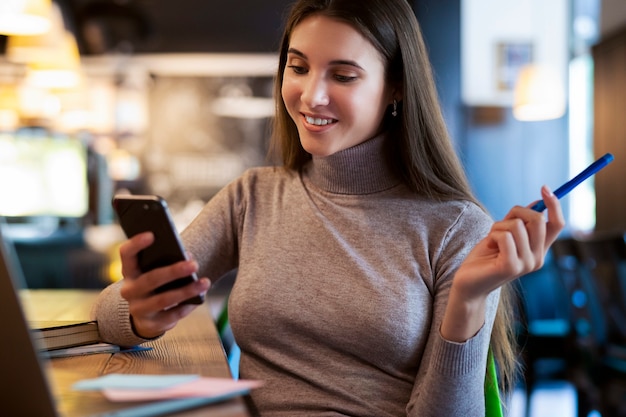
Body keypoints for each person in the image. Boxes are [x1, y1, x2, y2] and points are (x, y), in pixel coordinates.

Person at [92, 0, 565, 415]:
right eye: (298, 68)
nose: (311, 96)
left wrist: (469, 300)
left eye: (343, 75)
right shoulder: (252, 197)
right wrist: (139, 312)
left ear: (396, 87)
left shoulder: (456, 228)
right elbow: (106, 317)